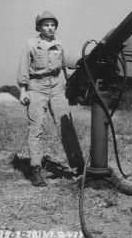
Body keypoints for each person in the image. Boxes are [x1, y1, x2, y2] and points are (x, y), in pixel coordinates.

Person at [17, 11, 84, 186]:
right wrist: (23, 91)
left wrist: (67, 86)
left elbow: (63, 66)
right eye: (46, 25)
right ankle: (35, 169)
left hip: (57, 86)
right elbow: (24, 68)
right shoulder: (31, 44)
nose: (50, 28)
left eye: (52, 25)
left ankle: (79, 168)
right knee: (36, 128)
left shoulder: (59, 44)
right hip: (36, 87)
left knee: (66, 125)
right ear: (39, 27)